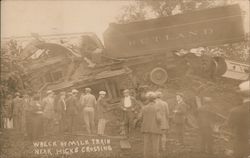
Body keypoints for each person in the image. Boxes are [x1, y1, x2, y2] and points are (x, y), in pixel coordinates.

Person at [226, 81, 250, 158]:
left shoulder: (236, 111)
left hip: (241, 148)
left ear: (241, 95)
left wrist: (230, 147)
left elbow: (230, 130)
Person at [141, 91, 163, 158]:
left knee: (146, 146)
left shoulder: (144, 108)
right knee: (155, 146)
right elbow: (159, 119)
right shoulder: (157, 108)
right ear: (154, 99)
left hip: (146, 129)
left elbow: (141, 118)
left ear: (148, 99)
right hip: (155, 129)